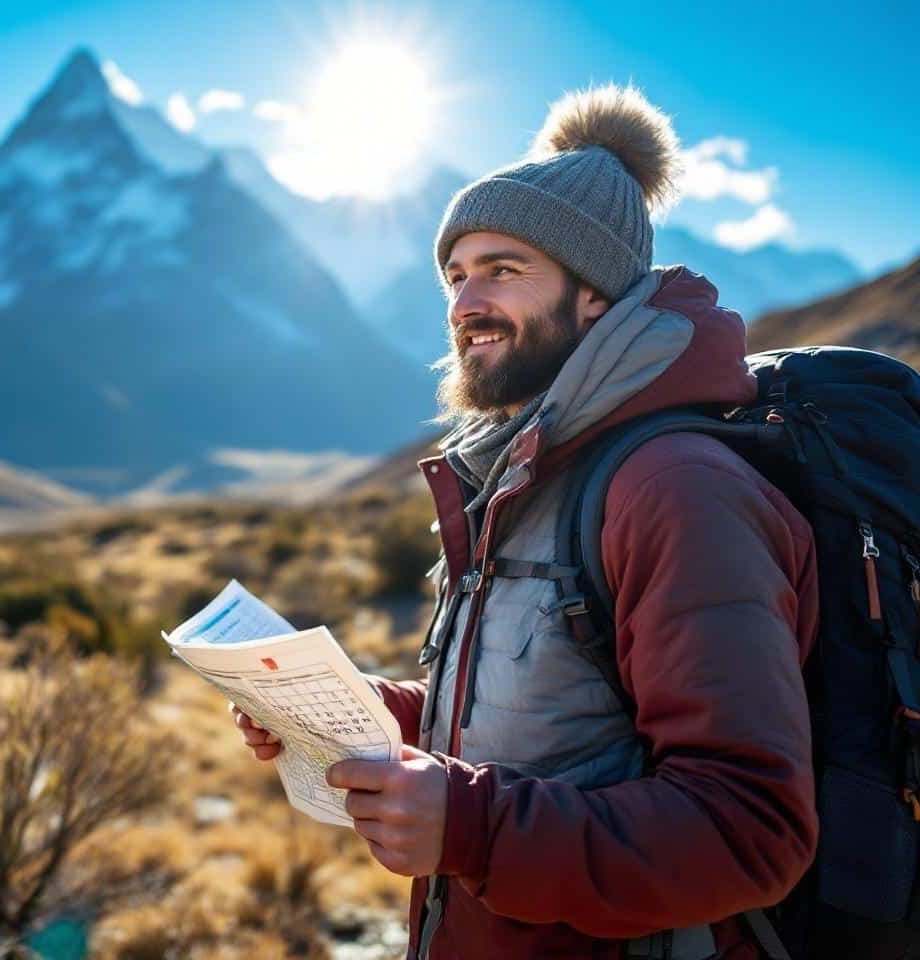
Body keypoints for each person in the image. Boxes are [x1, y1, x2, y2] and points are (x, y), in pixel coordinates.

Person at [231, 83, 819, 959]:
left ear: (596, 296)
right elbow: (545, 720)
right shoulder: (524, 472)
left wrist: (473, 829)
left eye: (504, 270)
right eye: (456, 275)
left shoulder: (676, 489)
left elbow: (750, 828)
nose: (466, 303)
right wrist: (356, 715)